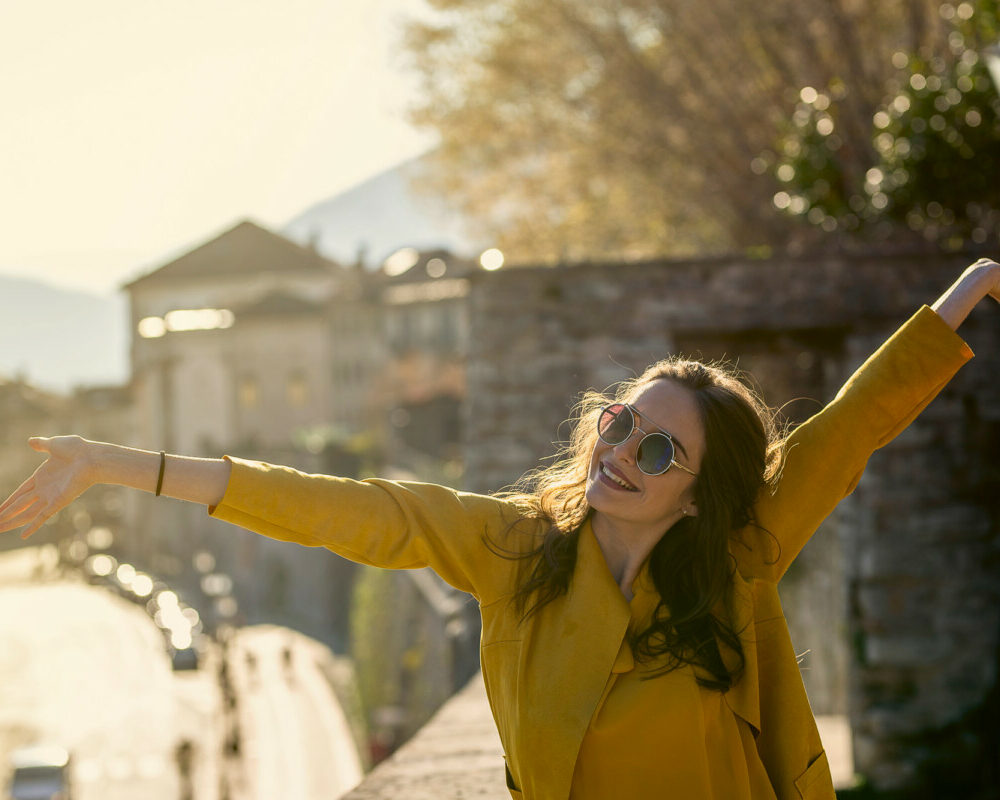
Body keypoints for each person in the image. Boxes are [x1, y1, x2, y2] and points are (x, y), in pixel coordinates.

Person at [1, 259, 998, 799]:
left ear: (697, 492)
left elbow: (852, 423)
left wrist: (978, 277)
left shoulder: (737, 552)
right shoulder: (518, 548)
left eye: (657, 452)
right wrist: (111, 462)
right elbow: (342, 506)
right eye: (621, 422)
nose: (619, 450)